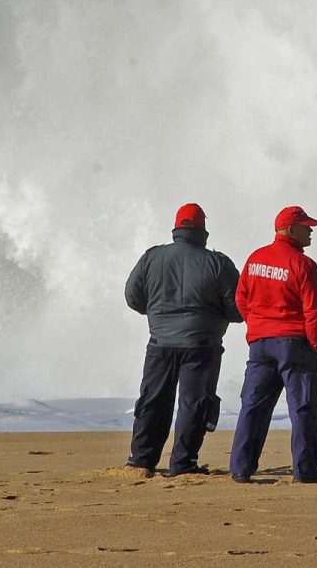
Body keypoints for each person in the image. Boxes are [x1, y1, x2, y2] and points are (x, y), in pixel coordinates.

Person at [123, 202, 242, 477]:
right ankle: (183, 463)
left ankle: (141, 460)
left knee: (153, 401)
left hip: (160, 342)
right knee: (194, 404)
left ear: (176, 228)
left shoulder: (151, 257)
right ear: (203, 230)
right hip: (201, 345)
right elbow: (237, 308)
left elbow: (133, 296)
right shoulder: (217, 263)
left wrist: (157, 314)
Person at [228, 204, 317, 484]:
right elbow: (315, 310)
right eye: (306, 226)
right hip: (294, 342)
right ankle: (305, 471)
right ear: (290, 229)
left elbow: (241, 299)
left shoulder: (255, 258)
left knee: (253, 406)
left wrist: (257, 325)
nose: (310, 231)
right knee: (303, 407)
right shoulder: (304, 264)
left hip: (260, 343)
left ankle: (241, 467)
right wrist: (316, 342)